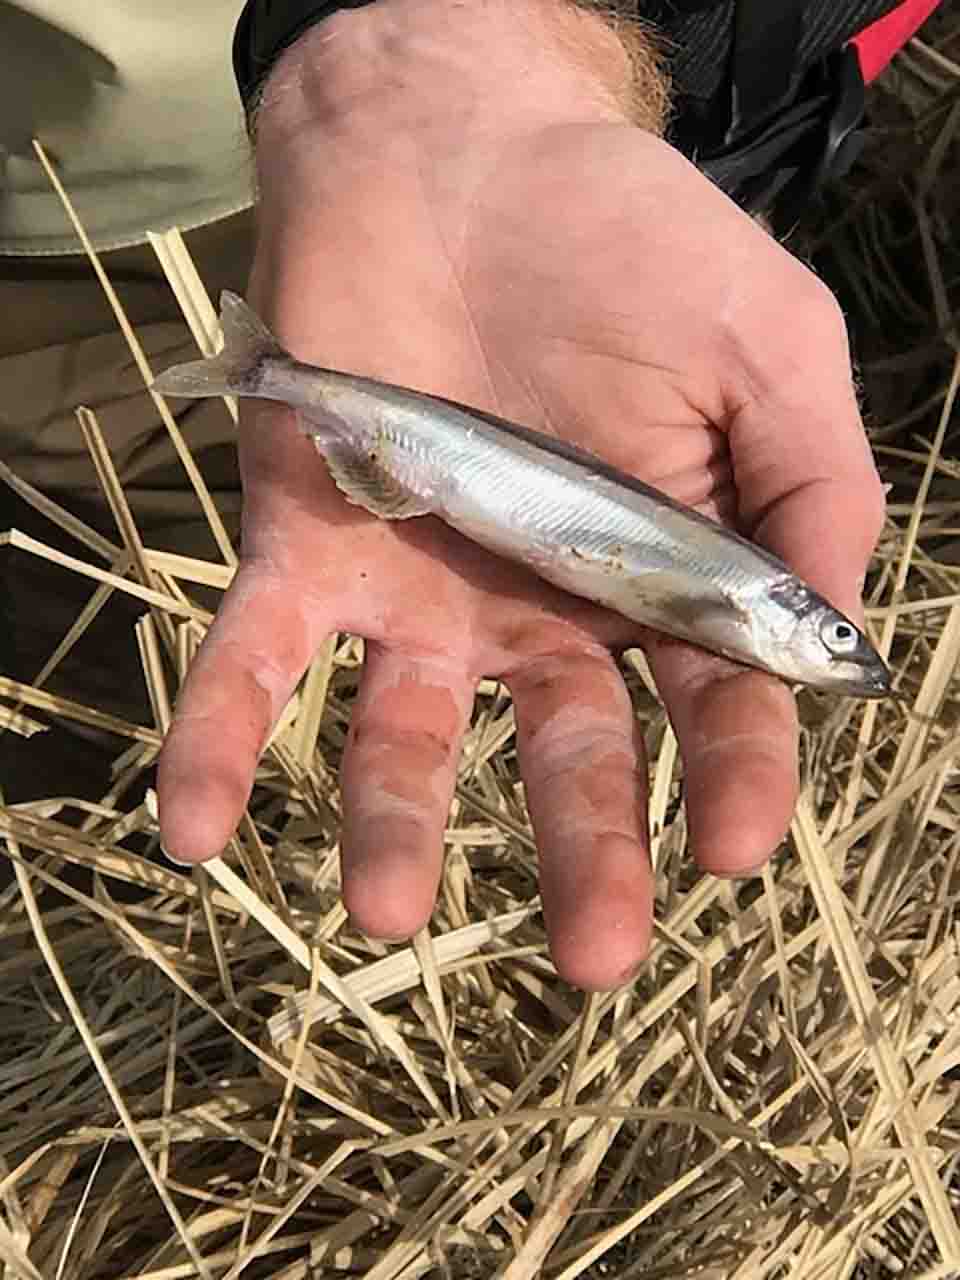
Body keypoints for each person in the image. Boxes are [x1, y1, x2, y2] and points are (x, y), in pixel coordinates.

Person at [0, 0, 937, 989]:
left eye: (842, 644)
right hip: (94, 165)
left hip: (701, 106)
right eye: (838, 637)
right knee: (111, 546)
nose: (844, 650)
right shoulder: (741, 596)